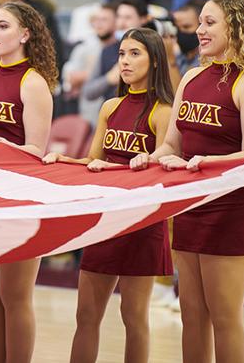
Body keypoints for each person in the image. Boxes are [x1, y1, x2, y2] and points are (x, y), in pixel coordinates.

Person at [44, 28, 174, 363]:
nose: (125, 61)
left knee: (134, 317)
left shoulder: (163, 110)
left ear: (155, 60)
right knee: (86, 315)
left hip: (143, 222)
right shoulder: (110, 106)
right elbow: (94, 160)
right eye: (121, 54)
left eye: (135, 54)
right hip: (106, 218)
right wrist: (64, 160)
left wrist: (150, 160)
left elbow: (167, 162)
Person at [131, 0, 244, 363]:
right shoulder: (192, 79)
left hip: (229, 210)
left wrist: (206, 161)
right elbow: (171, 146)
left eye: (209, 23)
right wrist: (148, 158)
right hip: (190, 207)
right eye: (199, 22)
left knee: (225, 317)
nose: (199, 30)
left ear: (237, 28)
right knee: (192, 315)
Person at [0, 0, 57, 362]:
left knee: (15, 296)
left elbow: (38, 151)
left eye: (3, 26)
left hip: (20, 198)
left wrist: (11, 149)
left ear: (25, 34)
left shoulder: (34, 83)